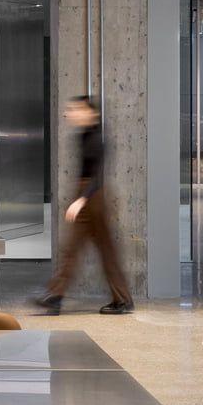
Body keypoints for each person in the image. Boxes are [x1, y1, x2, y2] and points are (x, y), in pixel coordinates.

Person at [30, 94, 133, 317]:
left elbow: (96, 176)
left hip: (94, 199)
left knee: (106, 251)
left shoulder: (98, 139)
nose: (71, 114)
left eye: (76, 109)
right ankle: (55, 296)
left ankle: (123, 300)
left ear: (90, 113)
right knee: (72, 249)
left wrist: (81, 200)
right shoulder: (83, 136)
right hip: (85, 197)